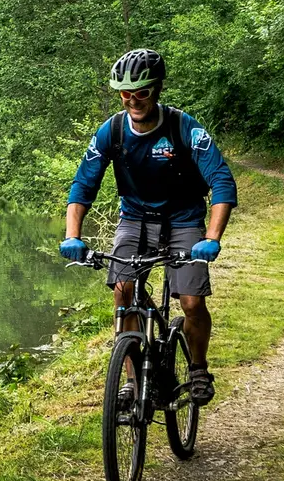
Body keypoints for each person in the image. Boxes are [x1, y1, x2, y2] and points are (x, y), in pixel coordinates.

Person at [58, 48, 236, 405]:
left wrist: (212, 238)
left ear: (156, 89)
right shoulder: (111, 131)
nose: (133, 100)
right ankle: (130, 378)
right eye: (125, 93)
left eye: (141, 92)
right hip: (135, 220)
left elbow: (222, 182)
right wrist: (72, 235)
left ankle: (198, 369)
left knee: (191, 301)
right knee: (124, 293)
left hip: (183, 220)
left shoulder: (183, 128)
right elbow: (83, 185)